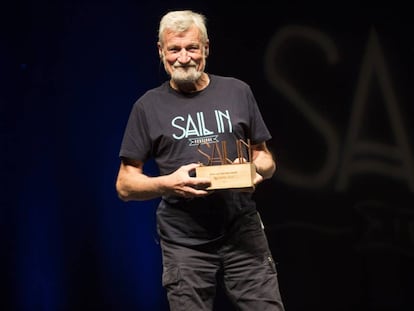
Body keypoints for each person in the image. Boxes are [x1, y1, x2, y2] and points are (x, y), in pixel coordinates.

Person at [116, 9, 285, 311]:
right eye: (174, 49)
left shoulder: (237, 91)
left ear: (206, 47)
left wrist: (253, 169)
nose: (184, 58)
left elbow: (265, 159)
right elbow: (125, 184)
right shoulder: (147, 107)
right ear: (161, 51)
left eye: (192, 47)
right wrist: (168, 183)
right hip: (184, 240)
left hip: (241, 230)